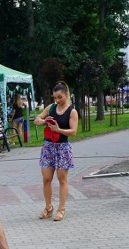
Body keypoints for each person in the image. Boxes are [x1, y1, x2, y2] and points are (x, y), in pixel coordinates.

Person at [33, 81, 78, 222]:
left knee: (62, 178)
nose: (57, 100)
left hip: (62, 148)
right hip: (48, 147)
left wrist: (58, 130)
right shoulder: (51, 107)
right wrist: (45, 120)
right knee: (46, 178)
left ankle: (61, 209)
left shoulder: (72, 111)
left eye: (60, 97)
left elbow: (73, 131)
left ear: (66, 94)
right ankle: (48, 207)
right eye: (55, 98)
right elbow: (36, 120)